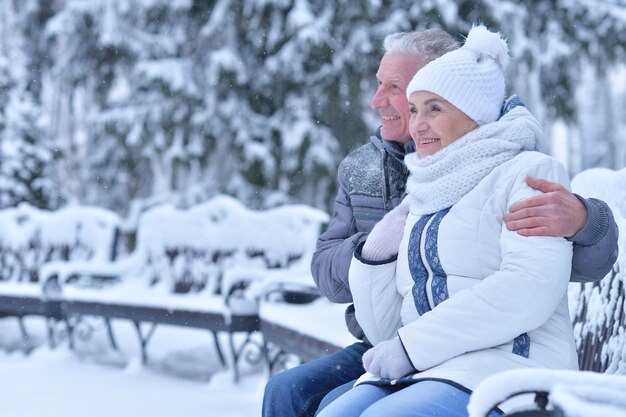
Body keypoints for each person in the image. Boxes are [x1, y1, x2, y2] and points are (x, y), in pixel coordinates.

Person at [261, 28, 618, 417]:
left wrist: (587, 220)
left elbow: (541, 278)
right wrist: (375, 252)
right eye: (414, 108)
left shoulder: (523, 171)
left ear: (470, 108)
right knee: (315, 404)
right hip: (411, 354)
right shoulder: (414, 181)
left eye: (431, 106)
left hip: (499, 362)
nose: (382, 102)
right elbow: (337, 276)